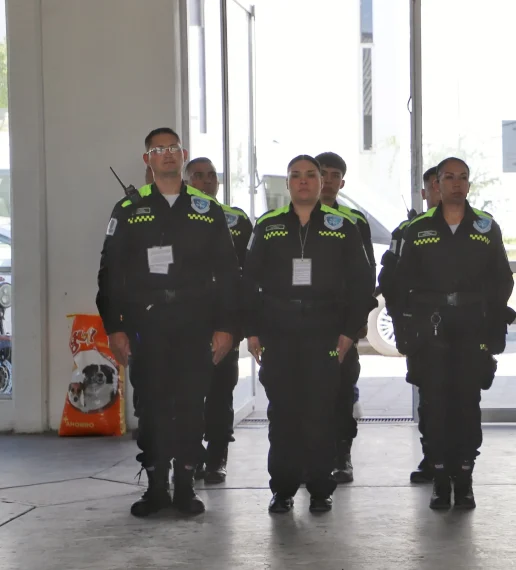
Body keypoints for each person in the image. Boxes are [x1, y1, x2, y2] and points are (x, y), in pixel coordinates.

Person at [97, 127, 240, 517]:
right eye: (158, 150)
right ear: (148, 160)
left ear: (183, 154)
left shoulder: (207, 210)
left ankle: (185, 485)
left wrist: (226, 325)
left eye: (172, 148)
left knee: (192, 405)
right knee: (155, 405)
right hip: (149, 324)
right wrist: (116, 327)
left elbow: (229, 273)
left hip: (196, 322)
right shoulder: (129, 209)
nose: (166, 155)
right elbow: (110, 274)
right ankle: (156, 485)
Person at [243, 155, 375, 514]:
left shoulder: (342, 225)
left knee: (321, 412)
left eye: (310, 175)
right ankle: (283, 488)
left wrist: (349, 332)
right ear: (287, 184)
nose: (303, 181)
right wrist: (252, 331)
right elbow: (247, 281)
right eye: (295, 176)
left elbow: (364, 283)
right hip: (279, 331)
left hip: (325, 332)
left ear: (321, 183)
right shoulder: (267, 225)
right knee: (283, 413)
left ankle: (320, 488)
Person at [388, 157, 514, 510]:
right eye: (449, 178)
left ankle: (465, 477)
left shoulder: (487, 228)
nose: (456, 184)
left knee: (466, 407)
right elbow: (399, 285)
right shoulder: (417, 229)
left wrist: (490, 324)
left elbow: (502, 280)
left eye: (462, 178)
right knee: (436, 406)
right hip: (431, 330)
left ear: (468, 186)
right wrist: (407, 328)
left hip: (472, 329)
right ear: (437, 186)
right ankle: (441, 479)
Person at [184, 157, 253, 484]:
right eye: (198, 176)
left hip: (225, 321)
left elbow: (249, 274)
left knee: (221, 392)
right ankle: (190, 456)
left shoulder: (237, 220)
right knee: (187, 393)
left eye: (212, 176)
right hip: (184, 322)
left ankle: (217, 457)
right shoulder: (175, 216)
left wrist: (240, 324)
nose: (206, 181)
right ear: (186, 181)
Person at [315, 151, 377, 485]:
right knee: (304, 396)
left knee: (341, 393)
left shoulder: (354, 221)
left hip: (341, 323)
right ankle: (309, 459)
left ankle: (342, 457)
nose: (328, 180)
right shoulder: (292, 218)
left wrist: (359, 316)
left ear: (342, 181)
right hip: (300, 324)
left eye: (334, 174)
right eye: (321, 172)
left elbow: (367, 273)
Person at [378, 166, 442, 484]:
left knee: (464, 399)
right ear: (425, 193)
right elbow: (389, 278)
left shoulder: (476, 227)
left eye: (443, 182)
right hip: (422, 329)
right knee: (428, 399)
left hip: (464, 329)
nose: (439, 189)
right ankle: (432, 458)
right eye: (433, 184)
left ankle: (460, 466)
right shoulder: (407, 231)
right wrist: (401, 319)